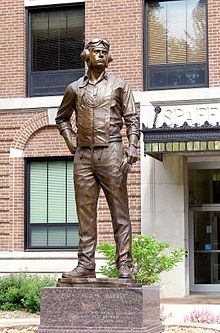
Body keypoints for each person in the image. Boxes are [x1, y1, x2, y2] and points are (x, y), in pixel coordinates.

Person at [55, 38, 140, 279]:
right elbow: (62, 118)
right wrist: (70, 139)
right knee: (85, 213)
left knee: (120, 212)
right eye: (96, 52)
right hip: (83, 155)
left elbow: (132, 120)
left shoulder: (120, 86)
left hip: (112, 151)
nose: (101, 55)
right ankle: (86, 264)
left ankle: (124, 264)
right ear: (87, 55)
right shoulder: (74, 89)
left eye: (105, 52)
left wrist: (132, 147)